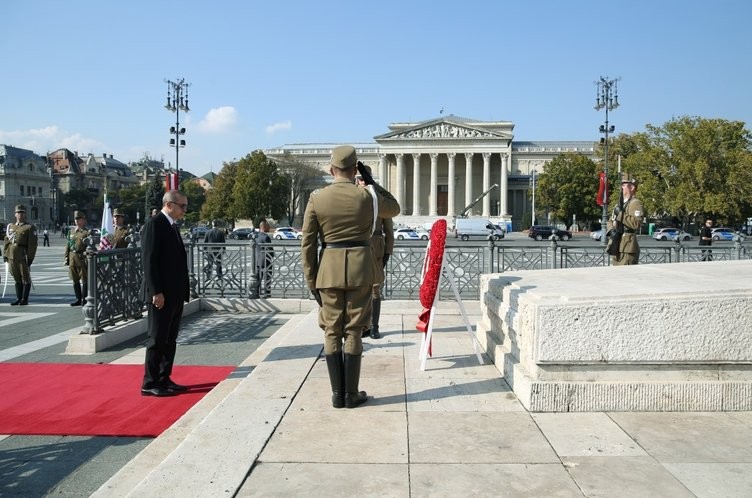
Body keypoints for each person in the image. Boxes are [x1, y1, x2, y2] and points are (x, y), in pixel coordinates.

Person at [301, 145, 400, 409]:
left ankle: (337, 394)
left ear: (331, 169)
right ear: (355, 168)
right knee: (354, 329)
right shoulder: (368, 197)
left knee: (332, 330)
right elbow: (395, 208)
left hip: (328, 271)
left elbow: (308, 244)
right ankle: (351, 394)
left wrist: (312, 280)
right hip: (361, 269)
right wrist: (371, 181)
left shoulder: (317, 198)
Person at [140, 190, 190, 397]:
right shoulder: (155, 223)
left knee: (170, 339)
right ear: (169, 204)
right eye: (182, 206)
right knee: (157, 339)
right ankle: (150, 383)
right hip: (161, 295)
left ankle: (164, 377)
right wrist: (156, 291)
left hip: (175, 294)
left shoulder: (172, 226)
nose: (185, 211)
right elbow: (149, 261)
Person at [356, 166, 394, 339]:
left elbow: (389, 230)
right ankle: (362, 325)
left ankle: (374, 326)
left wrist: (387, 252)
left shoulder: (379, 200)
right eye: (359, 178)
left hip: (375, 249)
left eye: (364, 178)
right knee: (358, 290)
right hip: (356, 249)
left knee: (375, 290)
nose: (361, 181)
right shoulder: (352, 197)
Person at [3, 204, 38, 305]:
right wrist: (5, 254)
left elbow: (33, 245)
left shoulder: (29, 227)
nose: (20, 215)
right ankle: (18, 298)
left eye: (22, 213)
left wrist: (30, 258)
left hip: (23, 256)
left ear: (25, 214)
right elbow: (7, 241)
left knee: (25, 278)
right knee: (16, 278)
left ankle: (24, 299)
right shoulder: (11, 227)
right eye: (18, 213)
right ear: (15, 214)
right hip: (11, 256)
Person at [608, 174, 644, 266]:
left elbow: (636, 223)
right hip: (616, 244)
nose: (621, 187)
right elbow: (610, 220)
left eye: (624, 185)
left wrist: (620, 214)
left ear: (631, 187)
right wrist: (611, 230)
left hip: (627, 247)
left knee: (625, 277)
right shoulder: (619, 204)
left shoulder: (635, 203)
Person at [64, 211, 90, 306]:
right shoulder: (71, 231)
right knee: (75, 280)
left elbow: (89, 246)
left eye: (79, 219)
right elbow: (68, 245)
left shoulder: (87, 232)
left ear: (84, 220)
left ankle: (84, 299)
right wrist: (66, 257)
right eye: (76, 219)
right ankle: (78, 298)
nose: (77, 221)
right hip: (72, 257)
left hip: (82, 258)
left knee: (84, 280)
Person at [255, 220, 274, 296]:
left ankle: (256, 292)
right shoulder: (266, 237)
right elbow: (270, 250)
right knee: (267, 278)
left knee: (258, 278)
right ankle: (267, 293)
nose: (269, 227)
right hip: (266, 261)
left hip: (257, 261)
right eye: (268, 226)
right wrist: (272, 255)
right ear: (264, 227)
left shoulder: (256, 236)